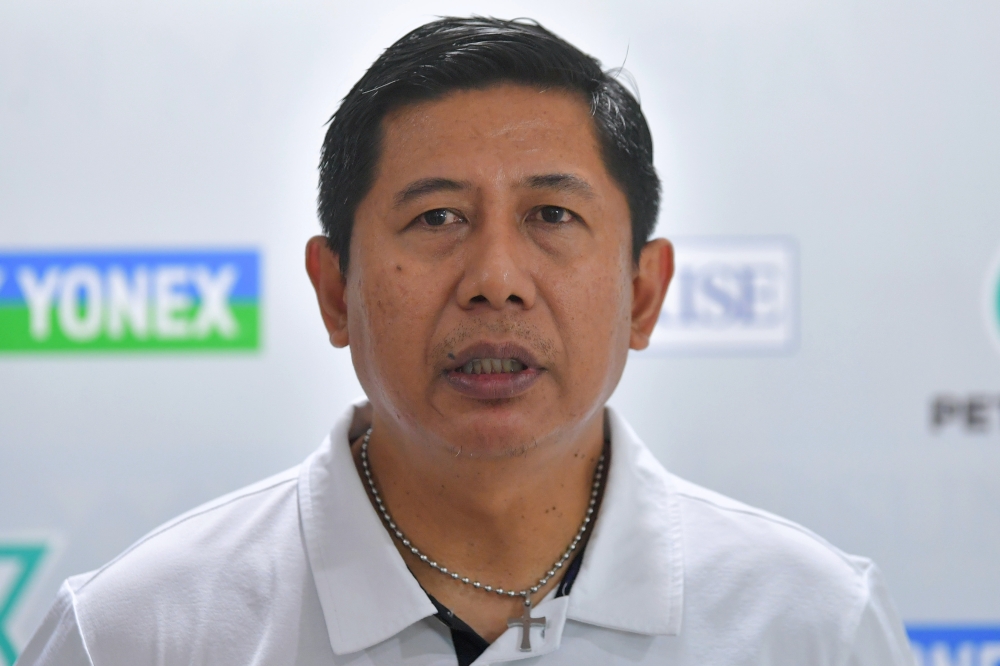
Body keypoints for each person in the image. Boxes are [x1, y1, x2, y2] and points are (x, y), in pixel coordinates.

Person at [18, 16, 914, 666]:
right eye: (437, 216)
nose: (496, 277)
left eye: (552, 215)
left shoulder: (815, 625)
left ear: (644, 293)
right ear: (336, 290)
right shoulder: (141, 633)